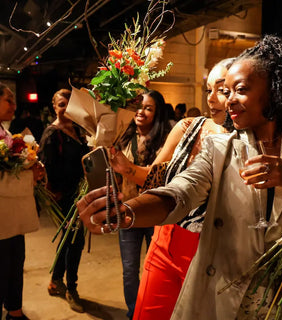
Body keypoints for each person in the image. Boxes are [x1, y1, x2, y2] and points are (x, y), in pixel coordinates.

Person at [78, 35, 282, 319]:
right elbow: (179, 192)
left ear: (275, 89)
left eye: (239, 89)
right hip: (225, 295)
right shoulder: (221, 148)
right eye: (224, 91)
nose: (228, 100)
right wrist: (125, 212)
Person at [109, 58, 235, 320]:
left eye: (221, 91)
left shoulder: (249, 141)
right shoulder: (189, 127)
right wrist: (125, 168)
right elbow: (156, 179)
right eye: (208, 89)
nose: (211, 98)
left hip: (214, 251)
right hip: (166, 240)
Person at [116, 89, 171, 320]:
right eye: (139, 107)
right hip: (127, 213)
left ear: (156, 113)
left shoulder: (166, 140)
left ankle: (151, 313)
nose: (141, 112)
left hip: (155, 213)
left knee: (156, 270)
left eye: (148, 108)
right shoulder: (123, 137)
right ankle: (133, 313)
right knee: (129, 270)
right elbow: (116, 174)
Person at [38, 89, 89, 313]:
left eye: (69, 104)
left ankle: (56, 281)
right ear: (54, 107)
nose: (65, 109)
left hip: (81, 192)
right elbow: (46, 169)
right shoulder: (52, 134)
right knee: (74, 242)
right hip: (64, 197)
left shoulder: (78, 130)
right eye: (60, 105)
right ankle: (71, 289)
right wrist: (54, 194)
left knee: (68, 241)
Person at [0, 83, 44, 320]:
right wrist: (30, 175)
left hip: (13, 219)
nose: (14, 106)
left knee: (16, 266)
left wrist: (34, 166)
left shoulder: (5, 134)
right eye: (8, 100)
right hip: (2, 221)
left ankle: (15, 311)